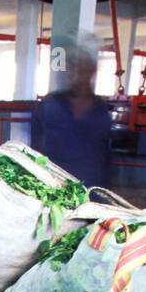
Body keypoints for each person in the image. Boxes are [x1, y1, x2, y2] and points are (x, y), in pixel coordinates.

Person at [31, 39, 113, 189]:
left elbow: (105, 153)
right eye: (71, 68)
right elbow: (35, 147)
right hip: (55, 187)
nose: (74, 73)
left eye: (80, 68)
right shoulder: (50, 106)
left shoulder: (100, 111)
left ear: (91, 71)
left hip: (92, 190)